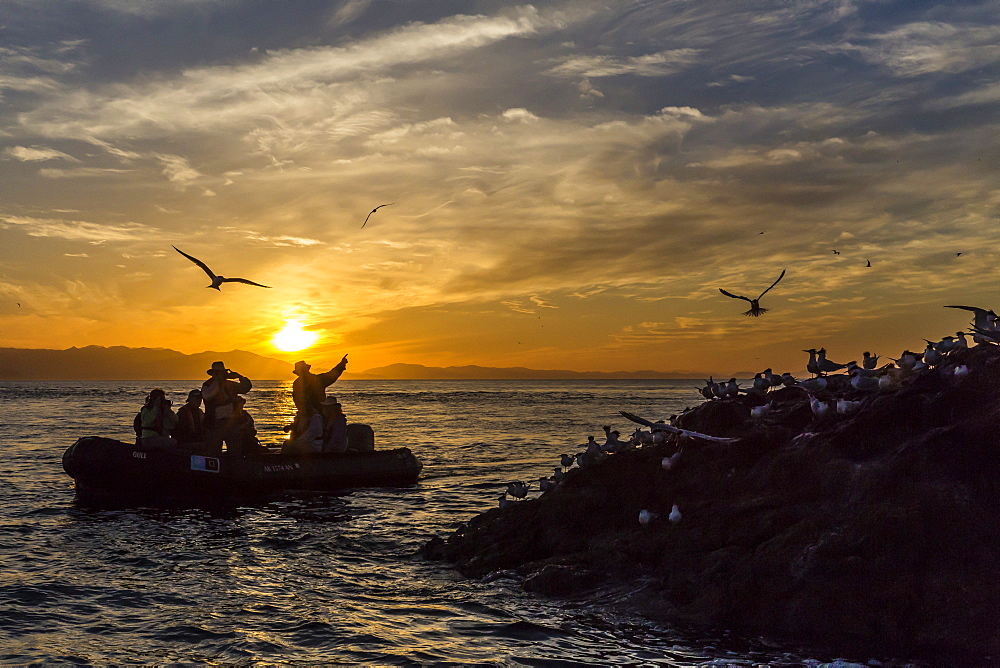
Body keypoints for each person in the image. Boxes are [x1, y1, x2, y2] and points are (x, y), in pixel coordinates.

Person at [201, 361, 252, 455]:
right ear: (213, 374)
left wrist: (239, 376)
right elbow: (207, 395)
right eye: (218, 373)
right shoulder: (208, 385)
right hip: (214, 423)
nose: (220, 375)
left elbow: (245, 388)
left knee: (235, 450)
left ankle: (234, 467)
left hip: (231, 422)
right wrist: (218, 381)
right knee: (214, 451)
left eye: (221, 373)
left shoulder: (230, 384)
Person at [290, 356, 348, 439]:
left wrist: (341, 365)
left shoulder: (309, 381)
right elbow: (331, 375)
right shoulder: (300, 383)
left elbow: (331, 375)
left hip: (315, 414)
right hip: (308, 415)